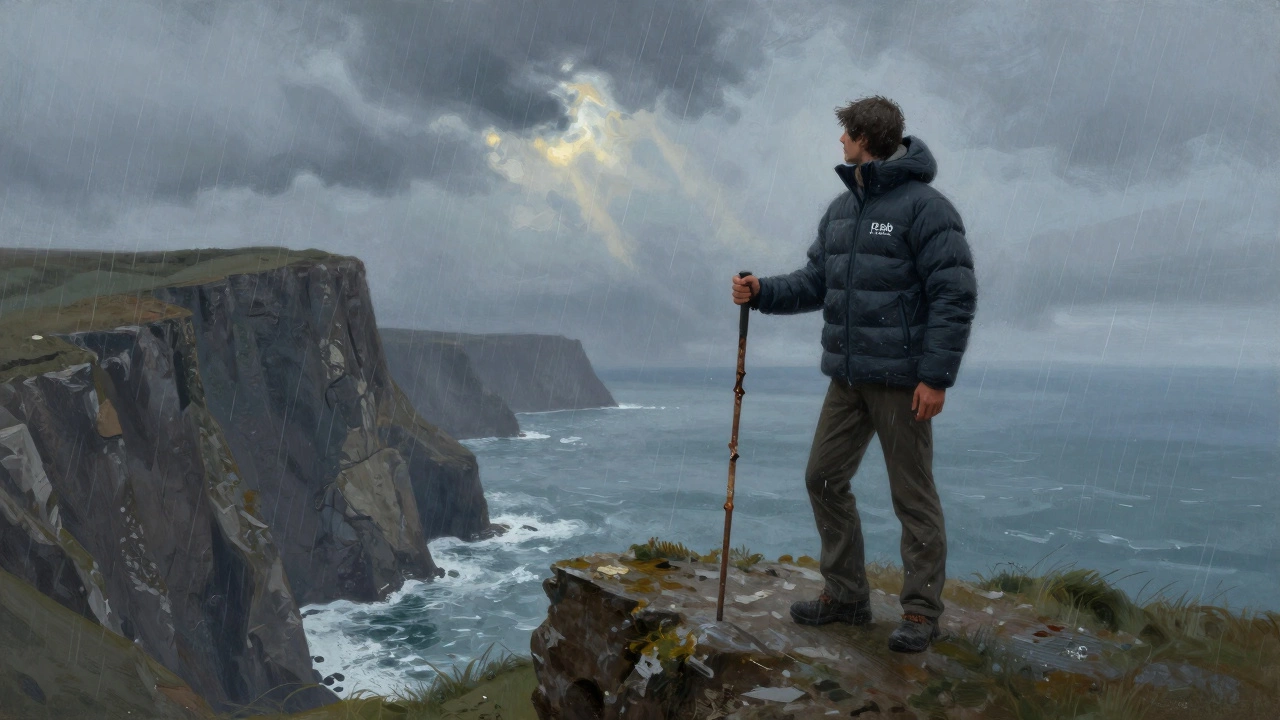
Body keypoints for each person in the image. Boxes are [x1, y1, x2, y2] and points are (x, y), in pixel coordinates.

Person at [731, 95, 977, 653]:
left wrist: (936, 377)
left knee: (912, 496)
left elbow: (954, 294)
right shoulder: (842, 211)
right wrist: (764, 292)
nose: (839, 142)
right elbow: (817, 282)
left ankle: (919, 613)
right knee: (821, 476)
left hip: (901, 381)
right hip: (847, 377)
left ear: (866, 138)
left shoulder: (927, 208)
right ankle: (846, 597)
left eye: (845, 134)